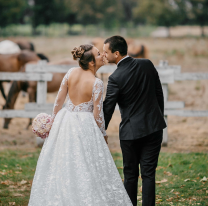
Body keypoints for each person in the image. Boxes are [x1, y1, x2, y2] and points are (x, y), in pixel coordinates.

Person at [28, 44, 133, 206]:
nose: (102, 55)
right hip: (85, 124)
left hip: (65, 120)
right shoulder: (96, 83)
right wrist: (103, 134)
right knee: (87, 163)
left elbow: (58, 101)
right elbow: (98, 115)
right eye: (98, 54)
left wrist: (53, 123)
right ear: (91, 63)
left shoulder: (70, 73)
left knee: (64, 161)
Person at [103, 36, 167, 206]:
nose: (104, 55)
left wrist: (100, 131)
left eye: (106, 52)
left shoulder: (115, 78)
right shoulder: (147, 64)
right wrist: (157, 118)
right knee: (148, 174)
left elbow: (107, 109)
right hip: (154, 128)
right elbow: (159, 95)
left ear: (116, 53)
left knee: (130, 175)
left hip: (130, 133)